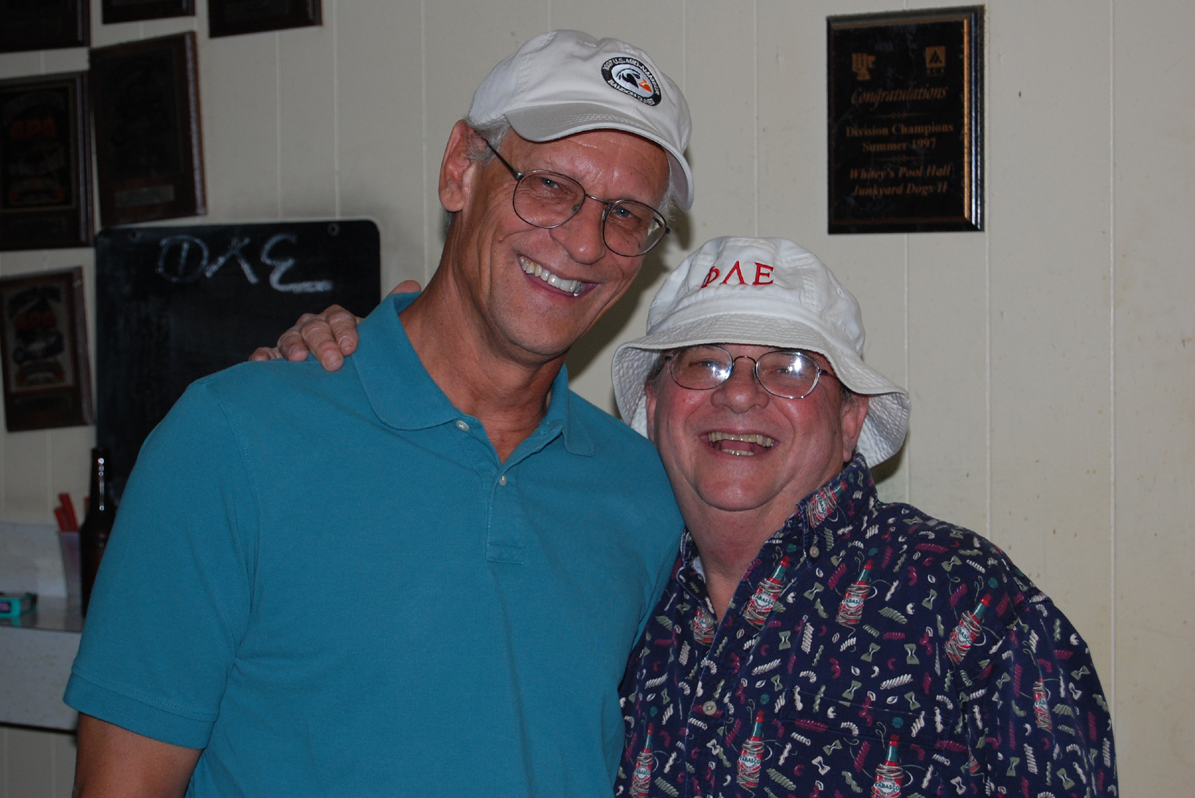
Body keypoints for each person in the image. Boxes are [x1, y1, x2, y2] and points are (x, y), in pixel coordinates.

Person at [65, 30, 693, 796]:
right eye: (551, 185)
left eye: (626, 214)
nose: (586, 243)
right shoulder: (232, 439)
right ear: (460, 169)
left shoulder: (646, 492)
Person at [280, 237, 1118, 797]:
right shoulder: (605, 580)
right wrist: (338, 367)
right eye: (706, 363)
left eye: (791, 367)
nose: (741, 394)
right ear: (653, 407)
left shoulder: (972, 609)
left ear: (851, 418)